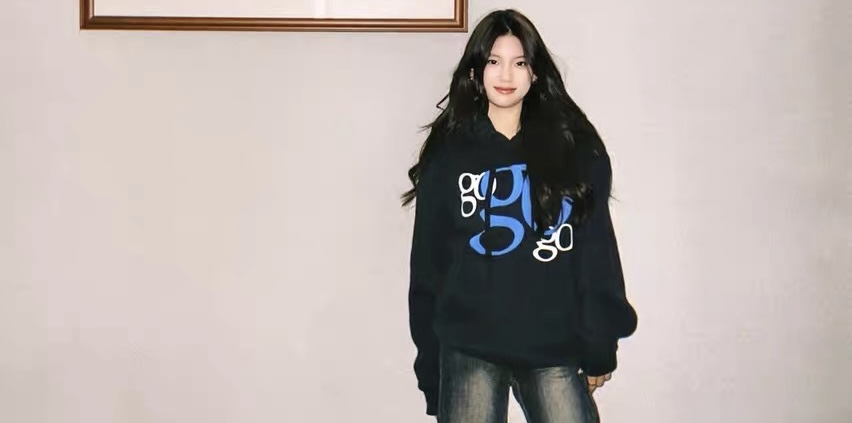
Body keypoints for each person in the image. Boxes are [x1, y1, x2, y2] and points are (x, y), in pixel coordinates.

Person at [402, 8, 638, 423]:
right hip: (469, 347)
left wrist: (600, 343)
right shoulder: (448, 156)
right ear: (475, 71)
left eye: (520, 62)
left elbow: (596, 253)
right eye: (494, 61)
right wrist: (431, 372)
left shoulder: (575, 149)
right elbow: (428, 268)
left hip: (552, 345)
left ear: (535, 72)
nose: (506, 74)